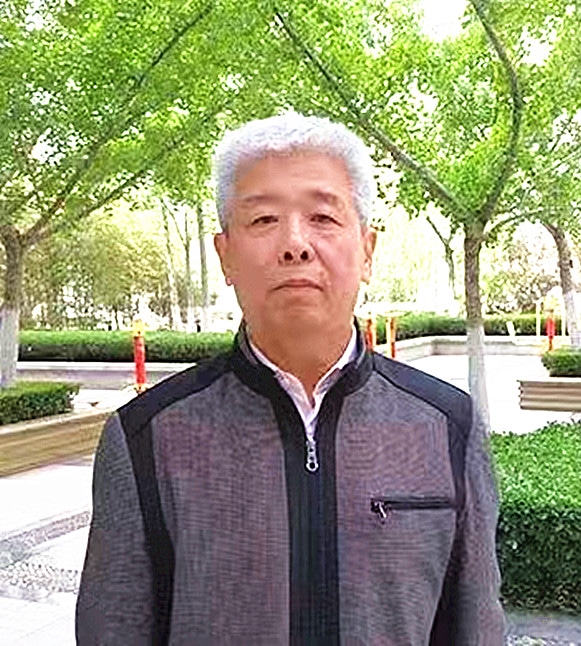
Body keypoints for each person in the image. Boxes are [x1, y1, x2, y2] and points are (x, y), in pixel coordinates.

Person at [76, 113, 504, 644]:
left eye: (323, 217)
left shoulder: (447, 426)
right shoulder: (147, 436)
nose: (295, 244)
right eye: (263, 220)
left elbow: (476, 628)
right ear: (225, 255)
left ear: (367, 251)